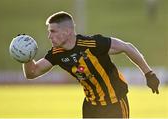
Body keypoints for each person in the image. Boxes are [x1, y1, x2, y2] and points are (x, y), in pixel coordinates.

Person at [22, 11, 160, 118]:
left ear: (67, 31)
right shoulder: (56, 53)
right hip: (91, 106)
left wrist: (149, 73)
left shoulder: (92, 44)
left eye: (53, 31)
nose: (49, 36)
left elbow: (127, 47)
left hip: (115, 102)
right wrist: (26, 57)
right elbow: (32, 73)